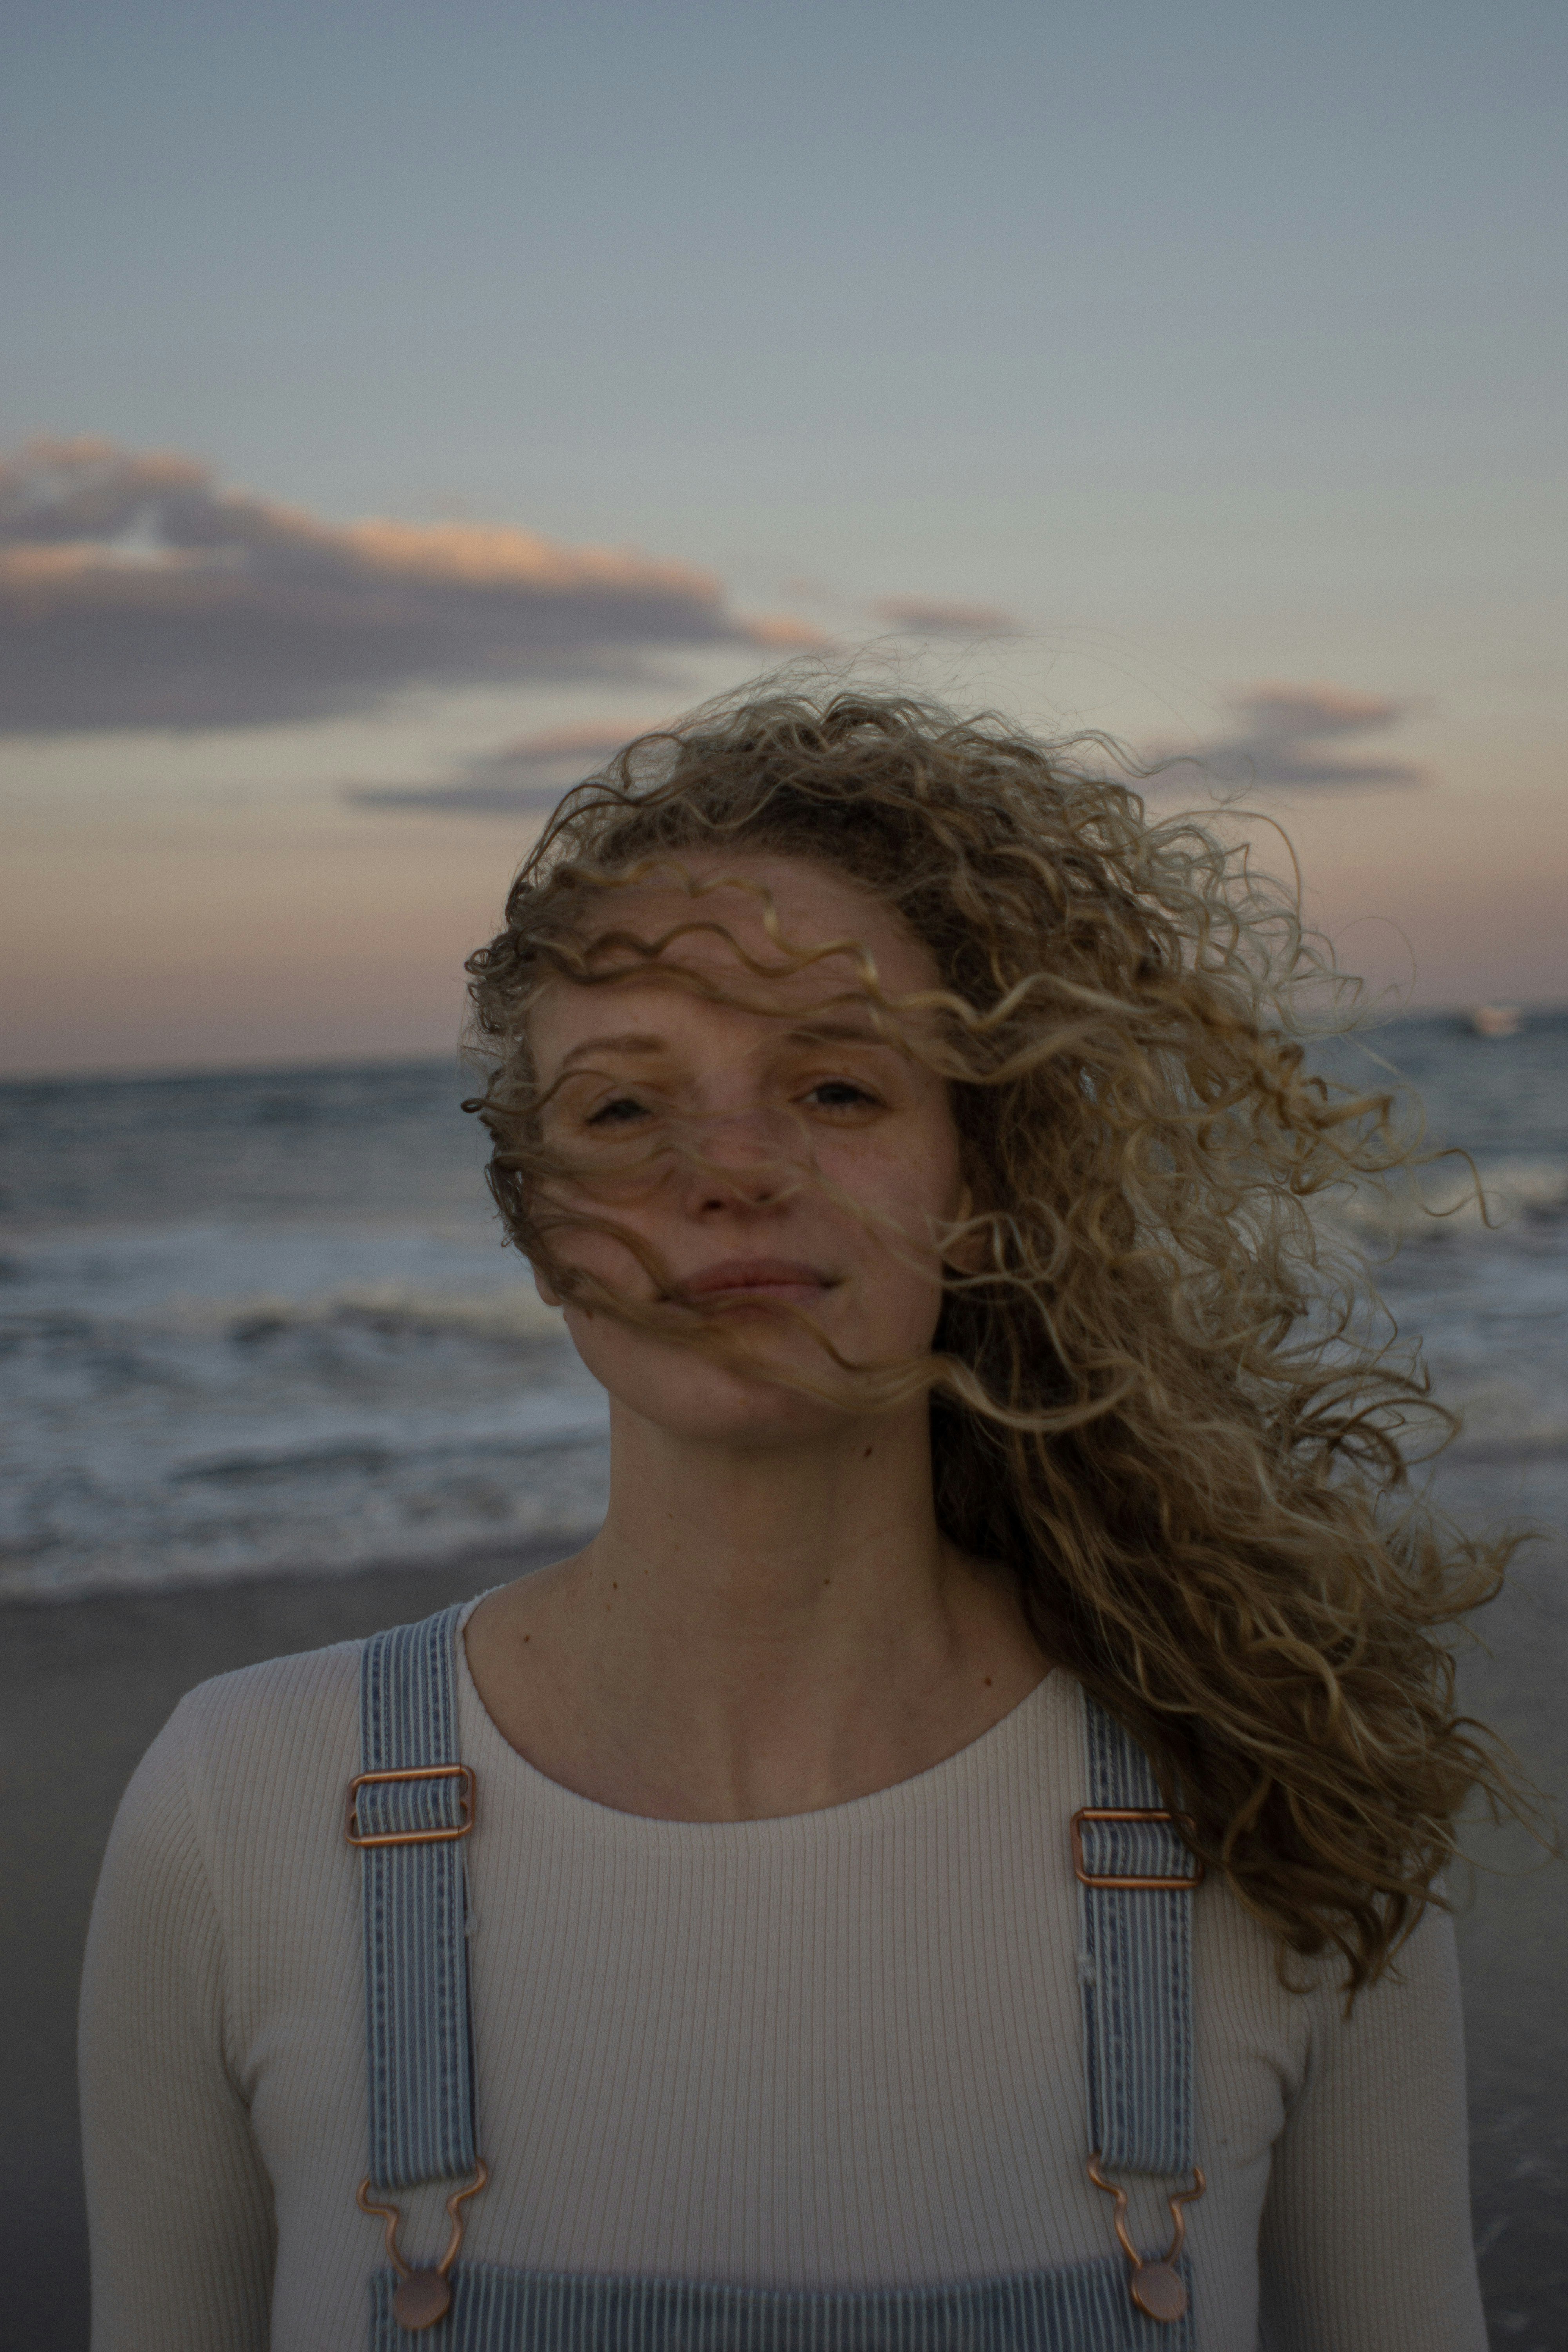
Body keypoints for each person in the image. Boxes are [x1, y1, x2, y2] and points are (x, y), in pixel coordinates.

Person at [80, 688, 1514, 2350]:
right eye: (623, 1108)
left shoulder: (1268, 1810)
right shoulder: (246, 1808)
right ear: (534, 1226)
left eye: (835, 1087)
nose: (730, 1168)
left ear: (976, 1190)